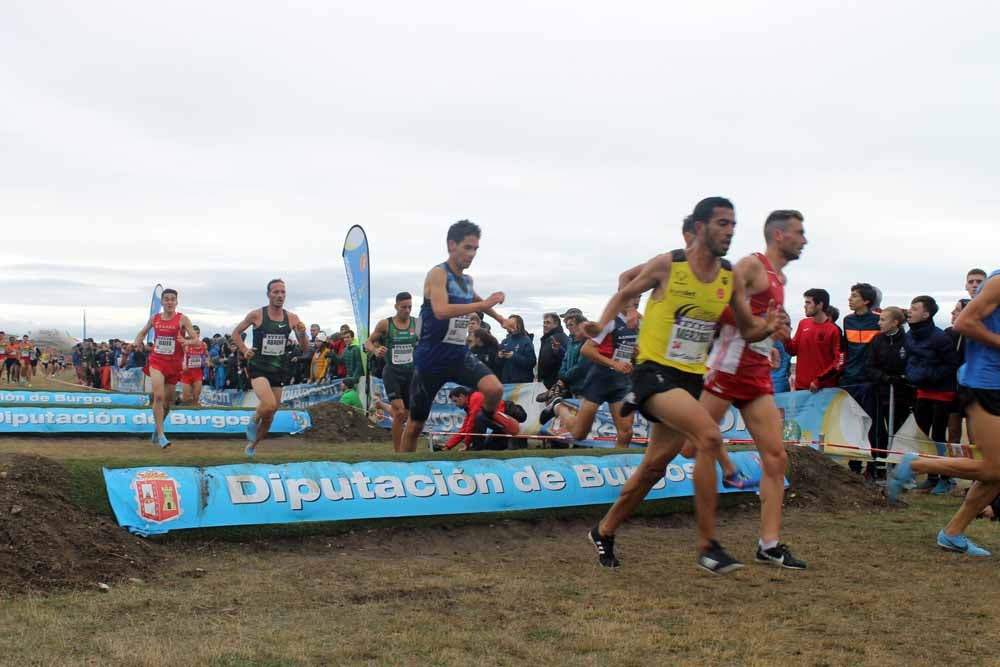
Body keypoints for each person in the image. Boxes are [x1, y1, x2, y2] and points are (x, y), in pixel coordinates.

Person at [585, 197, 785, 573]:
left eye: (733, 225)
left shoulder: (728, 276)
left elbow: (746, 328)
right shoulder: (669, 264)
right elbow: (626, 290)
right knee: (709, 437)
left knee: (653, 468)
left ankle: (604, 529)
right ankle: (709, 546)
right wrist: (601, 326)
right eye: (722, 224)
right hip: (653, 372)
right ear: (698, 228)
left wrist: (768, 328)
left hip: (691, 377)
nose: (729, 231)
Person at [700, 209, 808, 569]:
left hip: (757, 374)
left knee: (777, 457)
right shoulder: (751, 265)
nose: (804, 239)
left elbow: (760, 323)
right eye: (799, 232)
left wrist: (770, 342)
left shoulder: (780, 280)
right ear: (779, 235)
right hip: (727, 369)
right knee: (687, 447)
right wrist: (758, 326)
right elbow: (720, 306)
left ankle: (769, 544)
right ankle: (727, 467)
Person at [890, 270, 1000, 556]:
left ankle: (952, 534)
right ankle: (916, 464)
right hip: (985, 382)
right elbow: (964, 322)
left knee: (996, 473)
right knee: (995, 468)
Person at [400, 220, 515, 453]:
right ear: (452, 245)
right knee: (415, 424)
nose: (472, 254)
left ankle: (489, 417)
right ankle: (402, 473)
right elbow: (441, 311)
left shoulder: (466, 280)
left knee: (494, 390)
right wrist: (483, 303)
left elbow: (476, 300)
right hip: (431, 359)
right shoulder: (437, 274)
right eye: (467, 247)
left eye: (475, 249)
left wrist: (500, 319)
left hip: (457, 354)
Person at [541, 298, 639, 449]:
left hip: (620, 381)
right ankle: (558, 406)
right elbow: (586, 350)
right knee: (579, 434)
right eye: (634, 296)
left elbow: (632, 349)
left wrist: (635, 353)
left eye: (639, 296)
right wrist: (614, 364)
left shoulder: (638, 322)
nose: (636, 300)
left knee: (626, 432)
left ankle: (618, 465)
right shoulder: (611, 322)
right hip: (599, 379)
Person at [233, 279, 310, 456]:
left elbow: (305, 348)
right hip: (258, 367)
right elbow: (236, 333)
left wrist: (302, 333)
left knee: (271, 413)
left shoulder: (292, 318)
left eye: (283, 292)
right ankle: (253, 419)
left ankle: (253, 445)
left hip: (278, 369)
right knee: (268, 404)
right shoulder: (256, 315)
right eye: (276, 292)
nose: (280, 295)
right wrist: (244, 350)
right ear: (268, 294)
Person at [904, 295, 962, 495]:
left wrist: (931, 377)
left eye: (914, 308)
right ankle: (930, 477)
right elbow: (911, 359)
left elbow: (952, 364)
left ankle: (946, 479)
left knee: (938, 436)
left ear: (926, 314)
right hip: (921, 390)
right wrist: (913, 377)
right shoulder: (909, 335)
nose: (909, 311)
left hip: (942, 392)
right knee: (922, 435)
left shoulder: (940, 338)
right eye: (910, 307)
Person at [133, 288, 197, 448]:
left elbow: (196, 339)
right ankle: (162, 435)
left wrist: (187, 341)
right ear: (162, 302)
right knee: (159, 396)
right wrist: (137, 342)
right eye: (166, 299)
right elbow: (141, 333)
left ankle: (157, 428)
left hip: (174, 364)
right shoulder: (155, 318)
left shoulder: (182, 319)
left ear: (176, 302)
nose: (169, 302)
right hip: (157, 361)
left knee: (167, 403)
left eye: (172, 299)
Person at [365, 292, 418, 451]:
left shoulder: (417, 324)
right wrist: (375, 350)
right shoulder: (386, 324)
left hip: (410, 373)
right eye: (403, 307)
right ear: (396, 306)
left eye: (410, 307)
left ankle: (382, 405)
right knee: (400, 412)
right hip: (392, 373)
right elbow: (368, 342)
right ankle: (398, 452)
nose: (407, 310)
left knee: (407, 415)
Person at [841, 283, 881, 474]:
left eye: (855, 296)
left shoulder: (878, 320)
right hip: (850, 379)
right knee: (853, 423)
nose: (850, 299)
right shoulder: (847, 320)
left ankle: (873, 465)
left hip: (869, 381)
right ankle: (854, 465)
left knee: (871, 424)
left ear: (866, 301)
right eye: (850, 295)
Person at [867, 306, 913, 460]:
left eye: (883, 320)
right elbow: (870, 366)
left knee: (901, 429)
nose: (879, 323)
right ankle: (880, 463)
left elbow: (912, 362)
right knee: (880, 429)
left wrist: (904, 377)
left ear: (895, 322)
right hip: (882, 392)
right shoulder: (877, 340)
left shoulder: (908, 340)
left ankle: (900, 462)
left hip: (902, 393)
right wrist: (883, 377)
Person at [784, 289, 841, 391]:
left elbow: (838, 362)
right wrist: (786, 338)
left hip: (823, 389)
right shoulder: (803, 324)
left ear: (820, 305)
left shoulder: (834, 330)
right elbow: (792, 351)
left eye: (808, 302)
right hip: (801, 387)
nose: (805, 306)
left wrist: (819, 381)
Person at [442, 386, 519, 451]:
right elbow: (464, 428)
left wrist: (467, 444)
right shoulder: (470, 404)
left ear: (462, 396)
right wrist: (448, 445)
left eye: (455, 401)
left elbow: (471, 424)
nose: (456, 404)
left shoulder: (475, 398)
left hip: (509, 424)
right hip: (502, 425)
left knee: (479, 417)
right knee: (488, 447)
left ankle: (477, 447)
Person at [497, 315, 536, 383]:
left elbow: (531, 362)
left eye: (512, 324)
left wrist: (514, 356)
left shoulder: (526, 341)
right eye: (509, 324)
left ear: (519, 325)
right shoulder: (505, 341)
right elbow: (498, 363)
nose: (510, 326)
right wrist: (500, 357)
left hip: (522, 382)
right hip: (506, 382)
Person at [537, 313, 569, 388]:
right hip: (546, 382)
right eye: (544, 322)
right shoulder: (547, 338)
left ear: (556, 324)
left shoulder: (561, 338)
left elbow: (566, 360)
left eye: (548, 322)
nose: (544, 325)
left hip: (556, 383)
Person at [180, 325, 208, 405]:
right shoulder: (186, 345)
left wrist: (207, 361)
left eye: (198, 333)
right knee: (186, 398)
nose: (196, 335)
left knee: (196, 397)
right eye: (194, 333)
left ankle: (194, 412)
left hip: (197, 373)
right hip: (186, 374)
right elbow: (181, 357)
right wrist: (183, 365)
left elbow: (207, 355)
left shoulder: (203, 345)